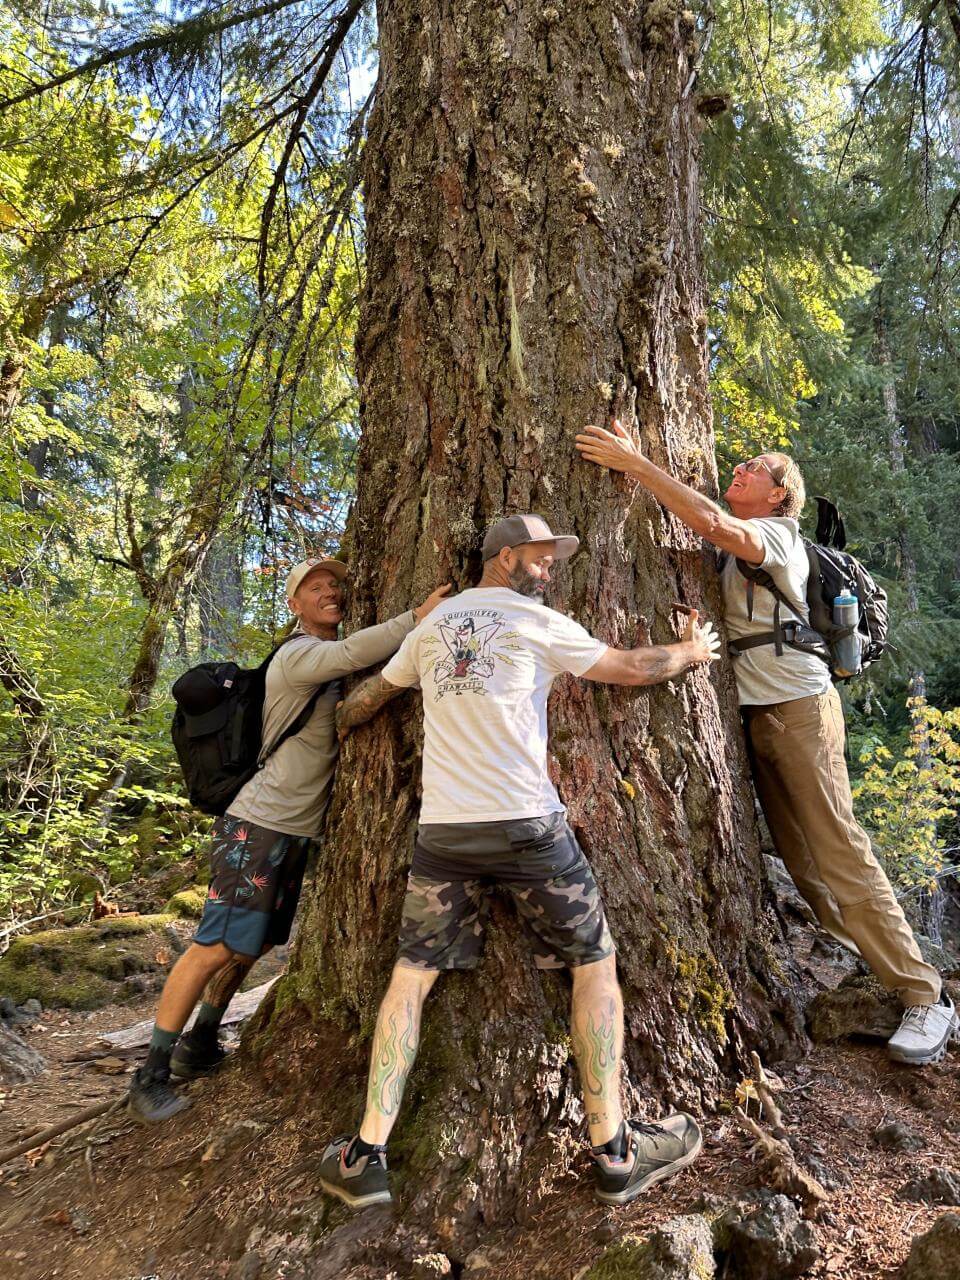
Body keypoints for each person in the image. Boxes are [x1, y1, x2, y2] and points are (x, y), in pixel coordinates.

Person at [317, 514, 721, 1210]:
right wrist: (692, 651)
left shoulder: (431, 629)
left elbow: (373, 695)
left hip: (446, 833)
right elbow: (629, 669)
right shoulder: (535, 622)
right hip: (529, 829)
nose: (551, 567)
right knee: (593, 964)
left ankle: (365, 1156)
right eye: (540, 557)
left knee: (411, 977)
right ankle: (616, 1152)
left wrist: (344, 716)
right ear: (504, 558)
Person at [575, 422, 957, 1067]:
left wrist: (636, 464)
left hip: (799, 709)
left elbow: (715, 525)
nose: (741, 467)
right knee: (804, 868)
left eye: (756, 466)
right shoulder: (737, 551)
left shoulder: (778, 535)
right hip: (758, 716)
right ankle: (880, 970)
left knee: (840, 851)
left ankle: (926, 995)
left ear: (780, 496)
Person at [126, 558, 451, 1123]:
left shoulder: (324, 662)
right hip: (258, 823)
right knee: (215, 944)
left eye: (334, 584)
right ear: (294, 605)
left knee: (253, 942)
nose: (330, 591)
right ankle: (149, 1074)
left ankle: (200, 1042)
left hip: (292, 828)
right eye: (314, 587)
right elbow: (354, 653)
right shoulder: (299, 654)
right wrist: (417, 617)